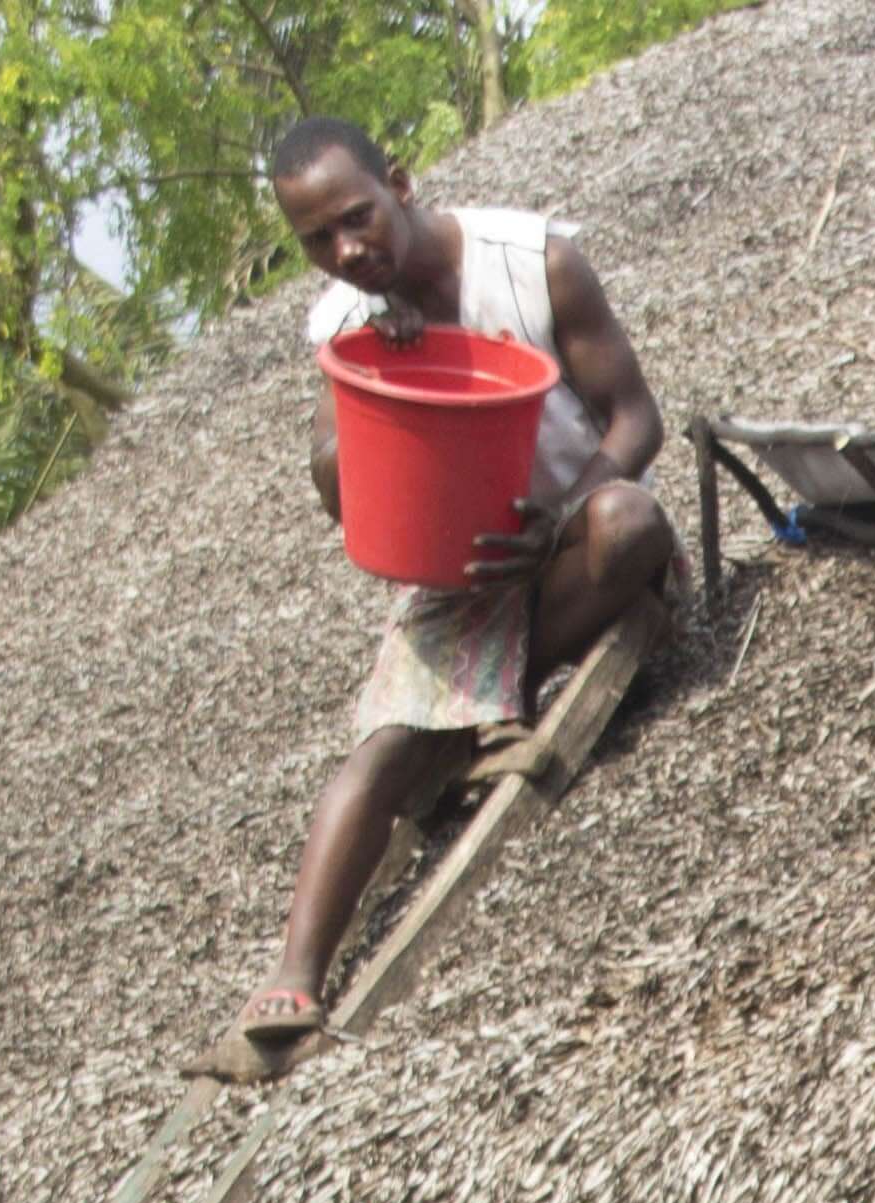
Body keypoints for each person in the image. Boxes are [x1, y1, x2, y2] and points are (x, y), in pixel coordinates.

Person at [246, 114, 674, 1062]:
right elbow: (336, 490)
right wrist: (376, 373)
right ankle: (295, 974)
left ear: (399, 182)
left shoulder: (535, 263)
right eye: (316, 240)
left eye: (357, 219)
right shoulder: (344, 324)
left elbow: (636, 421)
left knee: (633, 529)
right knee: (384, 750)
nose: (345, 250)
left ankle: (492, 700)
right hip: (458, 583)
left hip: (569, 541)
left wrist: (558, 516)